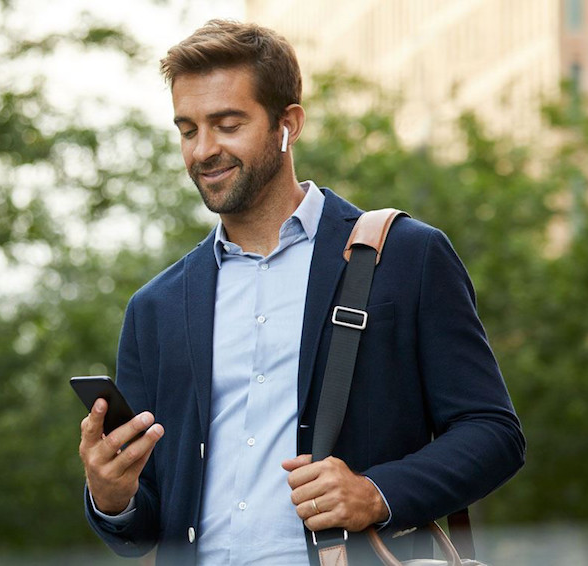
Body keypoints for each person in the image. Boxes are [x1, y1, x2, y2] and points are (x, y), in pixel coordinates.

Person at [78, 19, 525, 566]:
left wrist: (375, 493)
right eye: (188, 129)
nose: (203, 150)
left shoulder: (407, 257)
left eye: (227, 123)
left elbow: (494, 434)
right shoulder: (156, 307)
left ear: (288, 124)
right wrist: (110, 494)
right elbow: (143, 525)